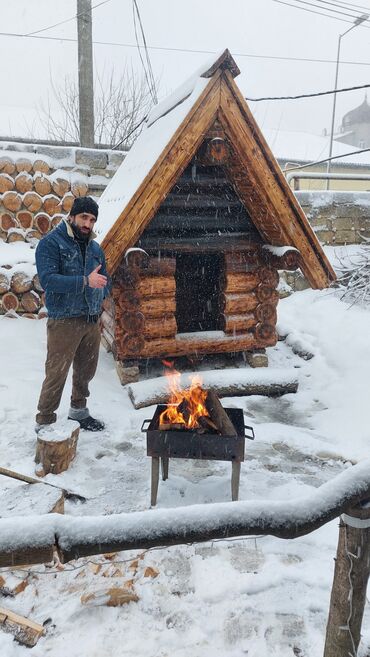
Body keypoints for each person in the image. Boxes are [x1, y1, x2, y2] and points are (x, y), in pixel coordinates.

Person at [35, 196, 109, 432]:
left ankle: (78, 411)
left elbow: (105, 280)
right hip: (64, 320)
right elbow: (49, 281)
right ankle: (44, 421)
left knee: (86, 371)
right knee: (56, 372)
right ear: (72, 216)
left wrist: (102, 289)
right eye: (84, 217)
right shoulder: (51, 244)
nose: (88, 223)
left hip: (91, 319)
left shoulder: (96, 248)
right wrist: (86, 281)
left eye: (92, 219)